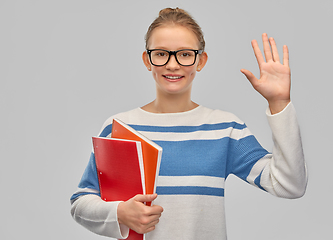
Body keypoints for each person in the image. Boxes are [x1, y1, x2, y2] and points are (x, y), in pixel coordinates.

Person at [70, 7, 307, 240]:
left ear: (201, 60)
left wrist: (279, 103)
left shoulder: (225, 129)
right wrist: (119, 213)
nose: (172, 65)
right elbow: (81, 202)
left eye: (184, 54)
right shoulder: (119, 128)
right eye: (161, 53)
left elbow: (290, 185)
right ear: (147, 59)